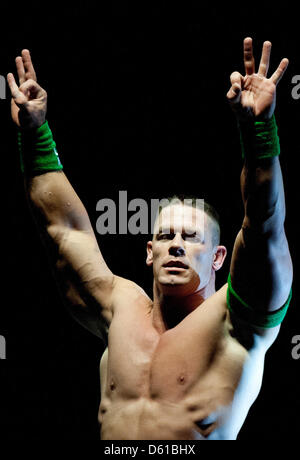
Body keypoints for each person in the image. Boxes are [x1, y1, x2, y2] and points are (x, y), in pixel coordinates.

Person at [7, 37, 293, 440]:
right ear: (149, 252)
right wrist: (35, 136)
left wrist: (259, 133)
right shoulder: (118, 308)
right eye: (165, 235)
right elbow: (62, 231)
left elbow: (263, 224)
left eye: (192, 237)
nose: (176, 244)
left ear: (218, 257)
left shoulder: (236, 322)